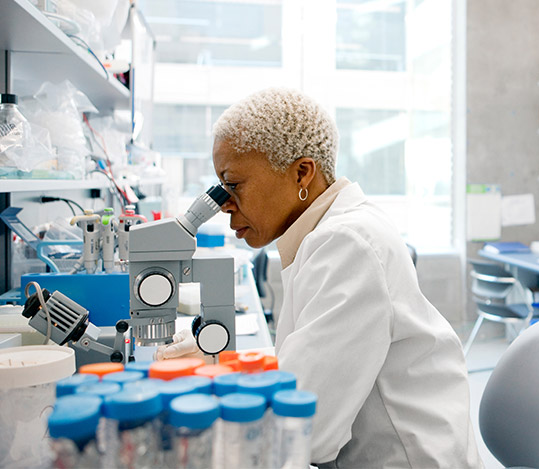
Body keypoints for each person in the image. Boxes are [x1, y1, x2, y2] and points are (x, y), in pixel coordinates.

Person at [159, 87, 482, 467]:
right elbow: (304, 366)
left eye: (233, 184)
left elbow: (303, 430)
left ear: (302, 172)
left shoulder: (348, 244)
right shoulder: (328, 235)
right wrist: (223, 362)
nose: (224, 203)